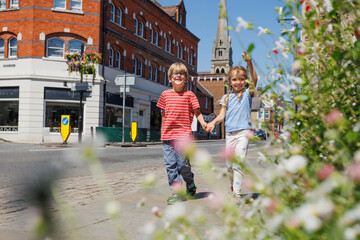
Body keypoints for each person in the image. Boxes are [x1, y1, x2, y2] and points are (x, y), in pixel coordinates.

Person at [206, 51, 258, 204]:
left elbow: (255, 80)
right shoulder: (226, 97)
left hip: (244, 133)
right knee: (229, 165)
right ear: (229, 82)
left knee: (238, 163)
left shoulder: (248, 93)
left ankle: (237, 194)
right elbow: (222, 115)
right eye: (234, 80)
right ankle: (232, 186)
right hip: (230, 135)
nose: (238, 82)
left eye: (241, 79)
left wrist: (249, 63)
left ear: (245, 81)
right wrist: (212, 122)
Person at [157, 62, 207, 205]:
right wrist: (162, 131)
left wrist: (203, 123)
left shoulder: (190, 95)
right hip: (167, 137)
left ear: (186, 78)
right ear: (169, 78)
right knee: (170, 165)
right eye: (175, 73)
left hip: (184, 137)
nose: (178, 75)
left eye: (182, 74)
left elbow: (197, 112)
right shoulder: (165, 95)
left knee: (183, 166)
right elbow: (163, 115)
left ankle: (189, 182)